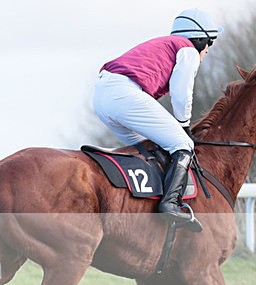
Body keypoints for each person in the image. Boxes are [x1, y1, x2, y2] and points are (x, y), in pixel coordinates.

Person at [93, 8, 222, 228]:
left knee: (149, 148)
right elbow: (182, 94)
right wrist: (184, 126)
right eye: (210, 42)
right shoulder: (188, 50)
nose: (208, 50)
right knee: (183, 144)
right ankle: (170, 204)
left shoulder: (168, 45)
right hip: (124, 94)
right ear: (200, 39)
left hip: (102, 97)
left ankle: (141, 204)